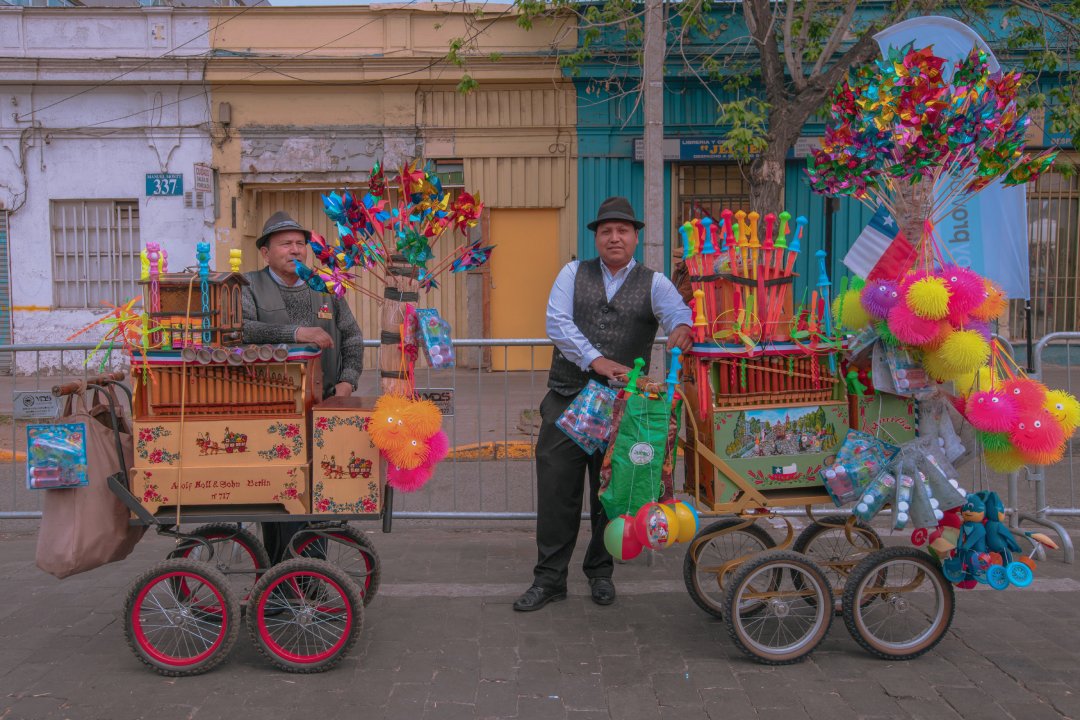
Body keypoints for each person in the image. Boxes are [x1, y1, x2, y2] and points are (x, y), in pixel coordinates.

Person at [513, 196, 693, 612]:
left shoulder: (655, 282)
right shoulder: (573, 272)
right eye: (607, 231)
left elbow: (677, 314)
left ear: (635, 237)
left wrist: (683, 326)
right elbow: (557, 322)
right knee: (557, 491)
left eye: (623, 231)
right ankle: (549, 579)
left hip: (624, 410)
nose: (615, 237)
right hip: (567, 398)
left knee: (611, 492)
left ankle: (600, 572)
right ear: (596, 237)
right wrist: (596, 360)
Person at [241, 210, 365, 564]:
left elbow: (353, 337)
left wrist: (347, 381)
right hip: (271, 411)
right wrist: (296, 333)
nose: (295, 251)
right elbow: (243, 330)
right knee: (278, 496)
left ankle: (312, 579)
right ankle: (277, 580)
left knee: (318, 493)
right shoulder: (248, 285)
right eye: (285, 244)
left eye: (300, 244)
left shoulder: (325, 288)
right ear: (265, 252)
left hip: (322, 408)